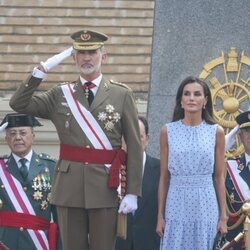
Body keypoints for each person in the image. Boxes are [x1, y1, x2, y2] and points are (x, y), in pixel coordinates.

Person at [9, 29, 143, 250]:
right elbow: (19, 104)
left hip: (105, 187)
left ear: (104, 56)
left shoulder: (121, 94)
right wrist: (42, 70)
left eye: (92, 52)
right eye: (80, 53)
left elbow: (135, 146)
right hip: (68, 188)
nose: (87, 58)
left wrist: (132, 192)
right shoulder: (60, 94)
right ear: (73, 58)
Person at [156, 76, 228, 249]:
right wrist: (160, 215)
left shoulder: (216, 132)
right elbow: (164, 177)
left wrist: (223, 216)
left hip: (205, 203)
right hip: (176, 202)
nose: (191, 98)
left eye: (197, 94)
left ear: (205, 100)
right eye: (186, 94)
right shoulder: (168, 131)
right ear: (181, 100)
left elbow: (219, 177)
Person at [0, 113, 59, 250]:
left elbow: (59, 213)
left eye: (23, 133)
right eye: (12, 133)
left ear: (33, 136)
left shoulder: (51, 166)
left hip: (39, 242)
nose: (18, 137)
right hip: (6, 242)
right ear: (7, 139)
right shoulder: (1, 167)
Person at [116, 116, 160, 250]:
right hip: (118, 243)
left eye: (139, 136)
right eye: (129, 136)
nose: (133, 141)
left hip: (150, 243)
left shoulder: (161, 170)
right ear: (122, 140)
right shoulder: (112, 169)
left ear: (147, 139)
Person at [225, 110, 250, 249]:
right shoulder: (228, 168)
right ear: (239, 136)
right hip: (236, 240)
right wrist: (219, 148)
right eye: (247, 131)